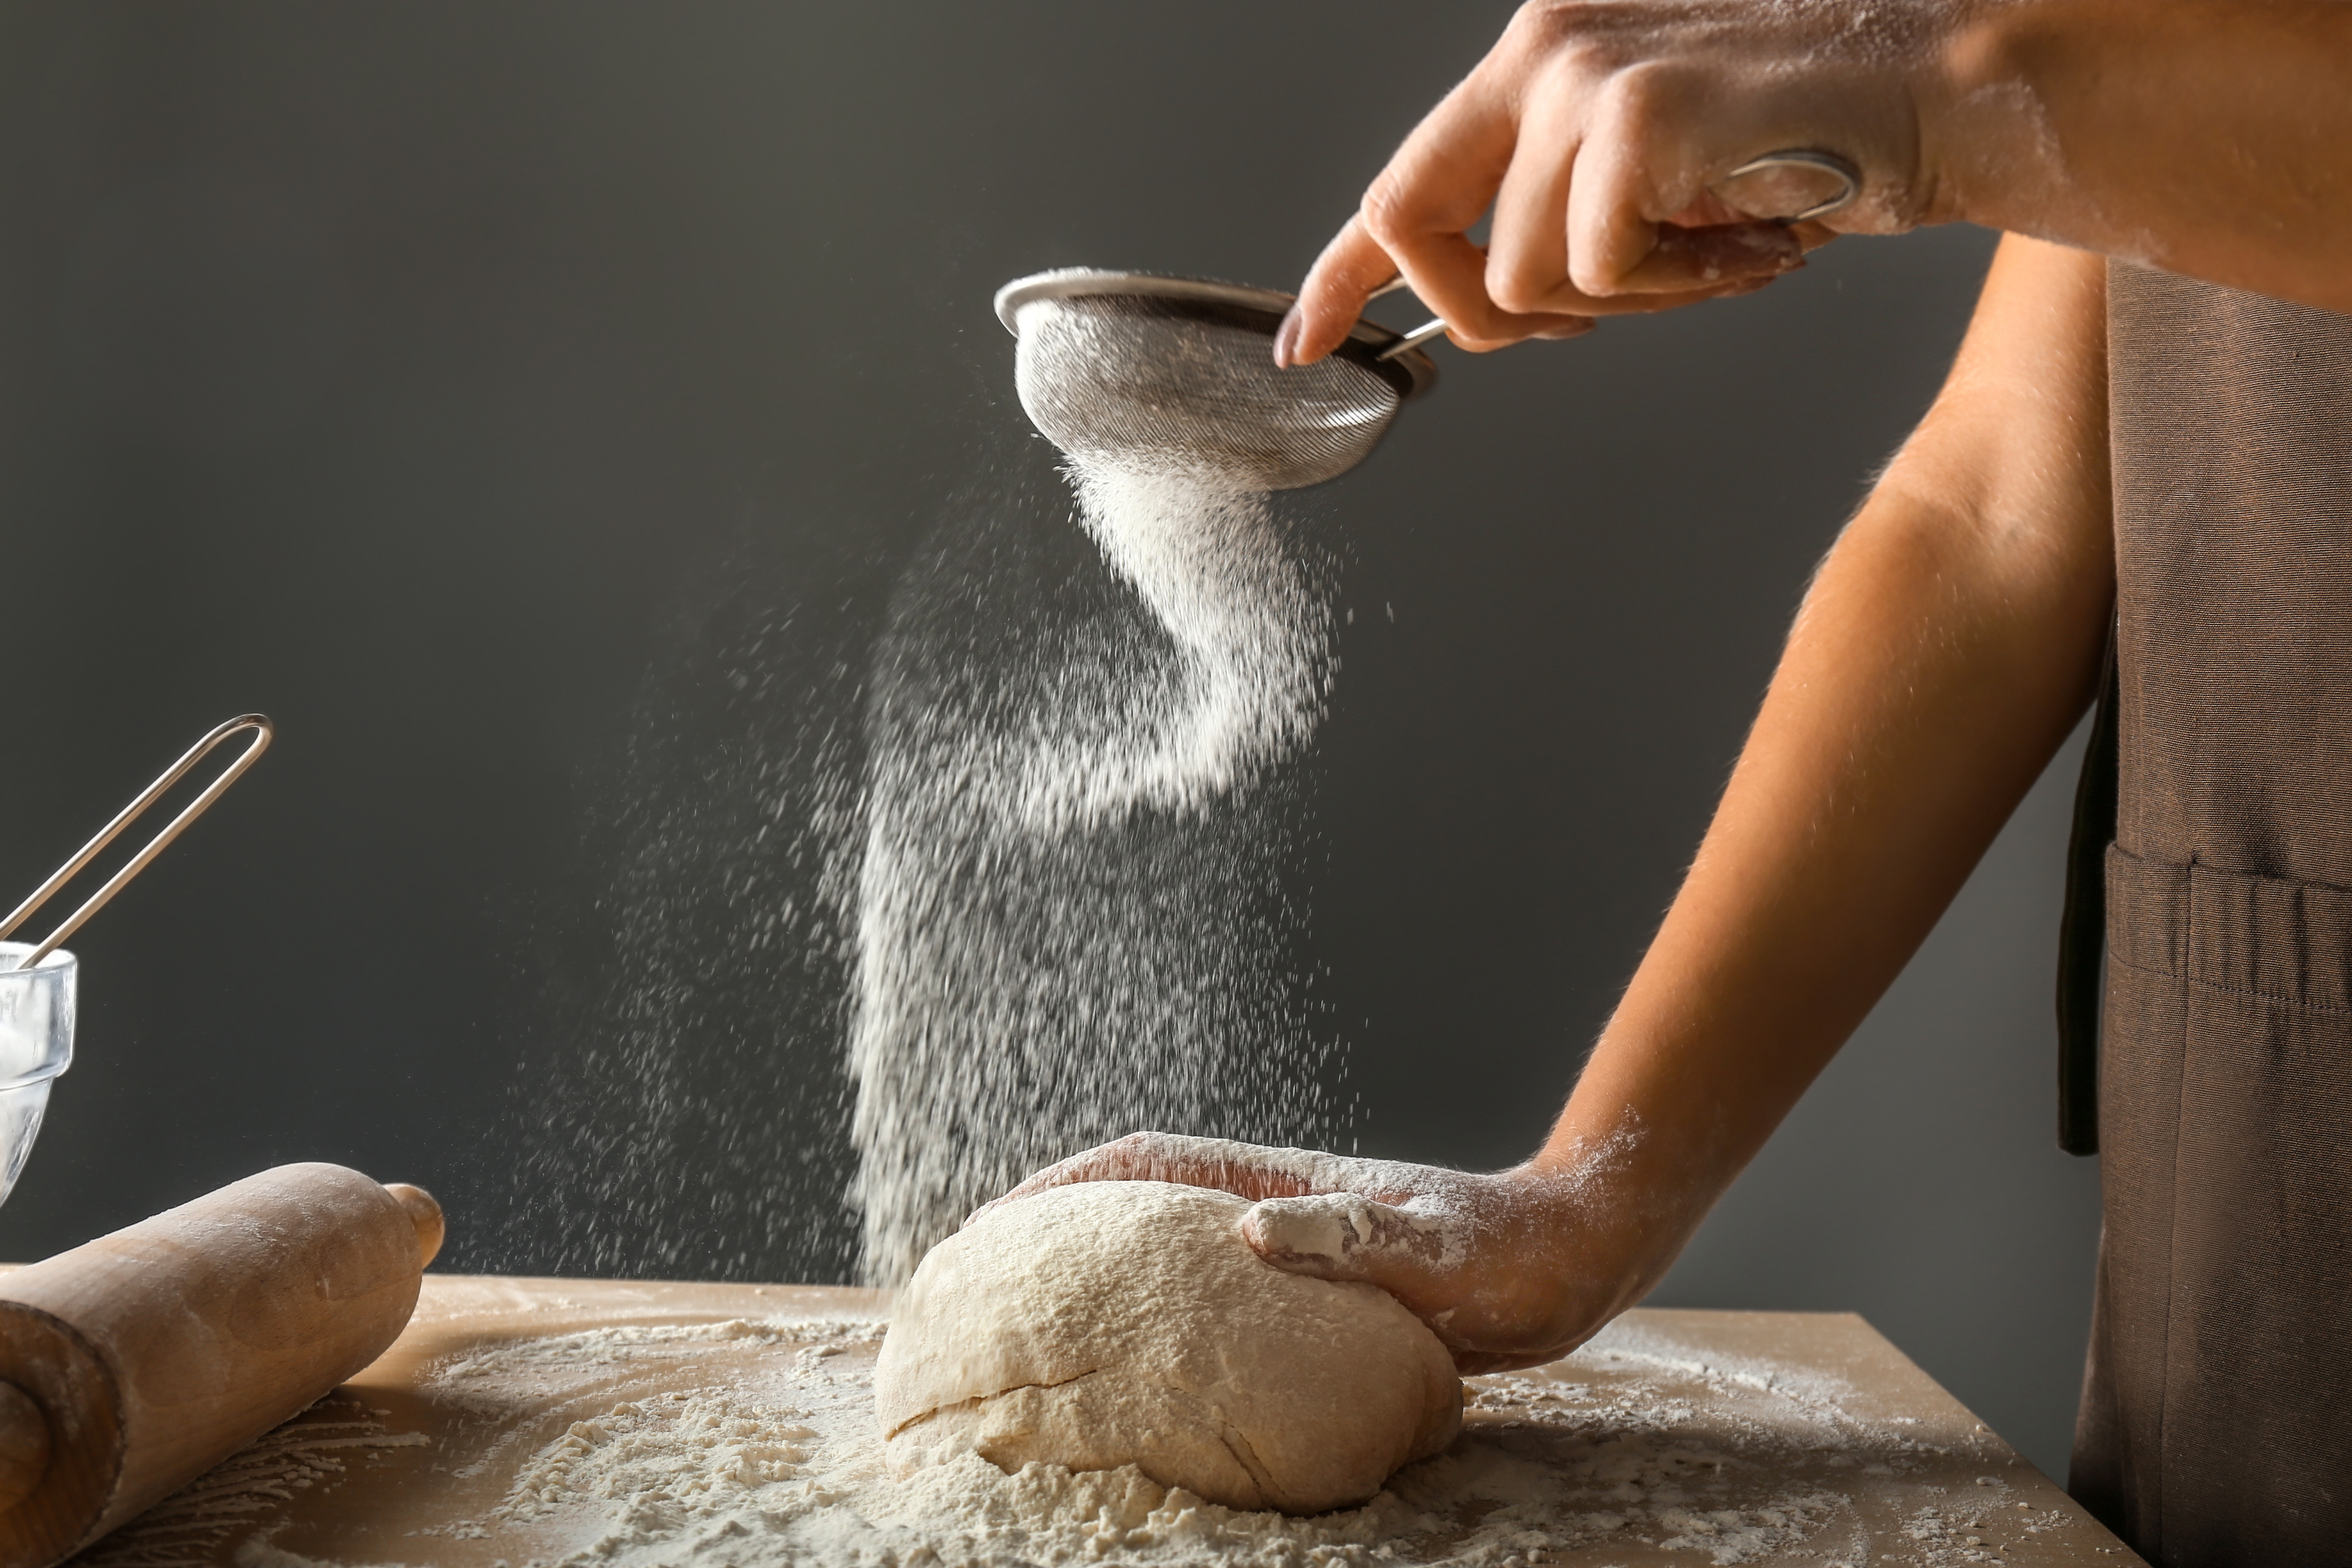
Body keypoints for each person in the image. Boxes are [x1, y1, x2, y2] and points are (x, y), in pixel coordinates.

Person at [972, 5, 2352, 1565]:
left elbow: (1993, 110)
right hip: (2254, 1184)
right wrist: (1586, 1197)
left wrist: (1947, 90)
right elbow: (2005, 506)